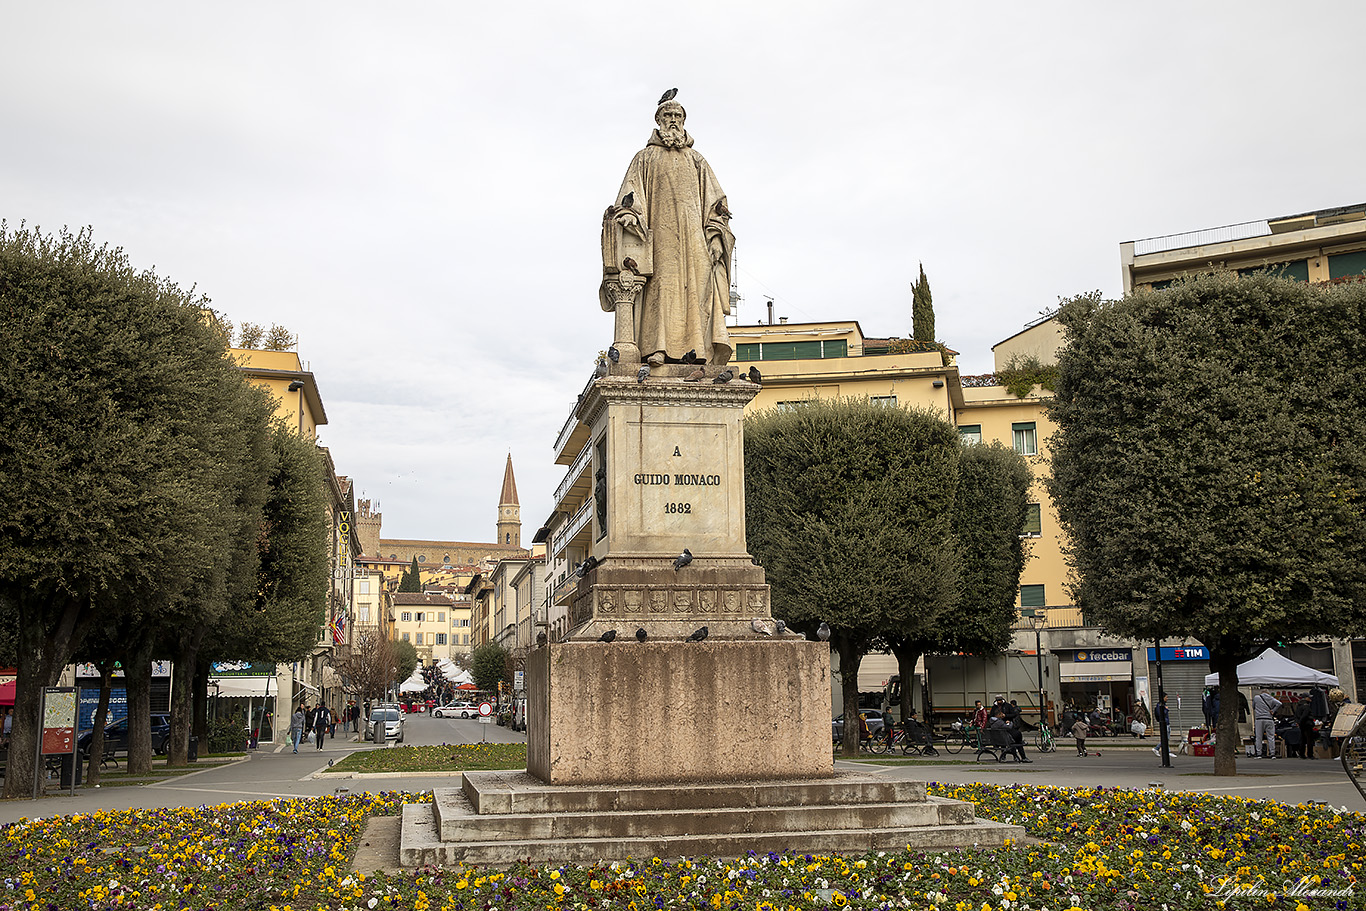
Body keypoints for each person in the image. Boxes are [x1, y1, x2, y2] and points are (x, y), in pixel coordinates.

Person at [600, 97, 735, 367]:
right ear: (659, 121)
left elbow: (716, 204)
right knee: (661, 290)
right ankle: (656, 348)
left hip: (695, 240)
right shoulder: (645, 158)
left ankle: (697, 350)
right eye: (668, 115)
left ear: (684, 121)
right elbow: (630, 195)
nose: (673, 120)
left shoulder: (698, 161)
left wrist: (717, 236)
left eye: (678, 116)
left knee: (697, 293)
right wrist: (628, 215)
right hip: (660, 240)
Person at [1252, 691, 1281, 759]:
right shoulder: (1271, 698)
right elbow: (1279, 703)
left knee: (1259, 737)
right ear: (1268, 693)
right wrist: (1273, 710)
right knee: (1271, 737)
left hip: (1259, 719)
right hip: (1269, 719)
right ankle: (1272, 753)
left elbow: (1253, 706)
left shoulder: (1256, 697)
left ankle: (1259, 753)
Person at [1153, 693, 1171, 761]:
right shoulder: (1160, 705)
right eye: (1166, 697)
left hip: (1167, 723)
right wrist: (1166, 710)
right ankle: (1157, 748)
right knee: (1165, 738)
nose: (1167, 699)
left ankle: (1167, 751)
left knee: (1167, 738)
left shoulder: (1163, 705)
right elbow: (1160, 714)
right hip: (1164, 723)